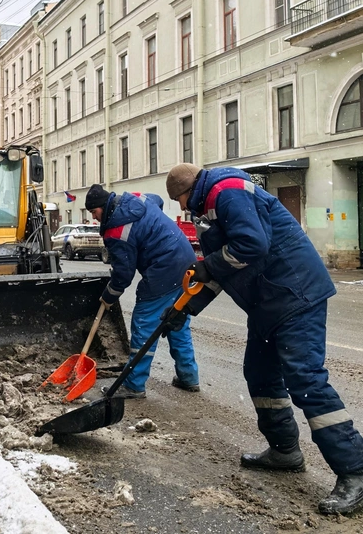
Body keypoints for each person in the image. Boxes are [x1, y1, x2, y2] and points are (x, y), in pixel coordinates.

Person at [166, 162, 363, 516]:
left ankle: (356, 470)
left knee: (306, 381)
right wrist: (186, 307)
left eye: (179, 199)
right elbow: (223, 266)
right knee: (259, 374)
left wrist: (209, 266)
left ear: (187, 189)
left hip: (294, 294)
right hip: (268, 302)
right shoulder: (211, 208)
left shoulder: (226, 192)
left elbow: (251, 245)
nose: (181, 208)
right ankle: (285, 450)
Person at [84, 183, 200, 399]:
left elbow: (124, 274)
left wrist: (109, 296)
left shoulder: (116, 231)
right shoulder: (137, 198)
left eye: (94, 212)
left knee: (144, 324)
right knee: (177, 320)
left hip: (163, 269)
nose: (94, 217)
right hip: (186, 260)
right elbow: (157, 199)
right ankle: (188, 377)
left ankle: (134, 385)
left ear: (102, 206)